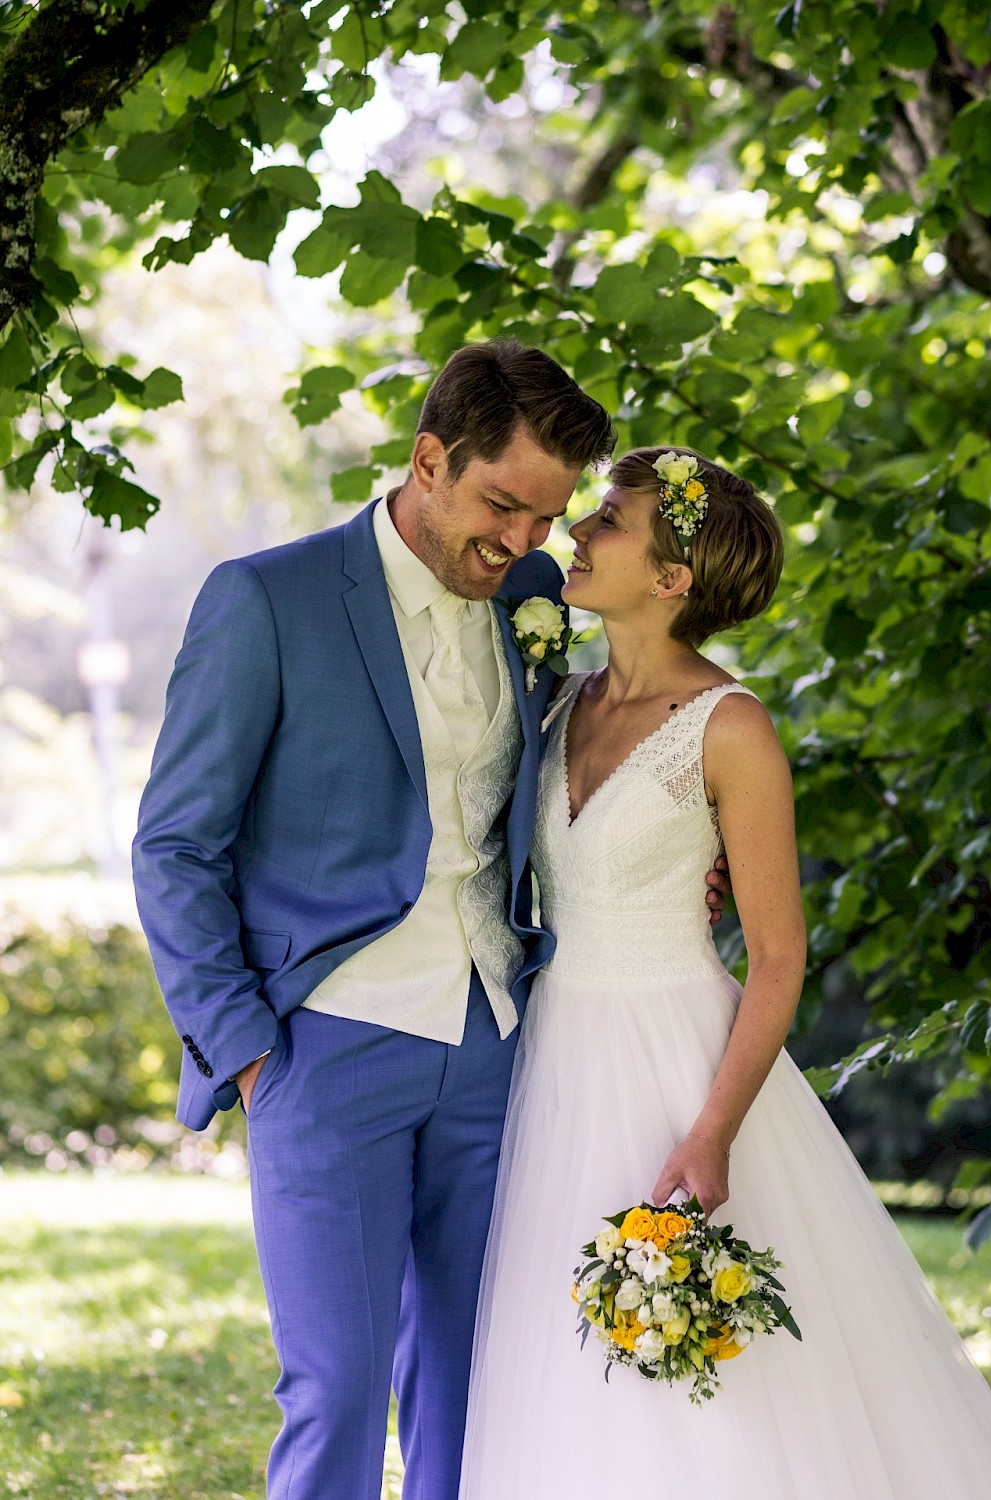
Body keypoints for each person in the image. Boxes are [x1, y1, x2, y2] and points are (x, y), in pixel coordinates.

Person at [131, 343, 729, 1500]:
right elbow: (174, 845)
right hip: (323, 1043)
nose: (518, 542)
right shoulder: (268, 600)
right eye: (500, 506)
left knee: (476, 1382)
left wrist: (672, 860)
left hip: (500, 1042)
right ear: (426, 460)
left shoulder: (534, 602)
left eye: (547, 519)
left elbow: (592, 768)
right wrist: (250, 1049)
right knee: (338, 1389)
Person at [459, 445, 991, 1499]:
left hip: (677, 1064)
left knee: (699, 1369)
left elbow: (780, 954)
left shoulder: (733, 728)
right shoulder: (556, 697)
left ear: (672, 580)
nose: (578, 528)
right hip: (553, 1058)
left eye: (608, 520)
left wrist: (710, 1132)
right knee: (558, 1351)